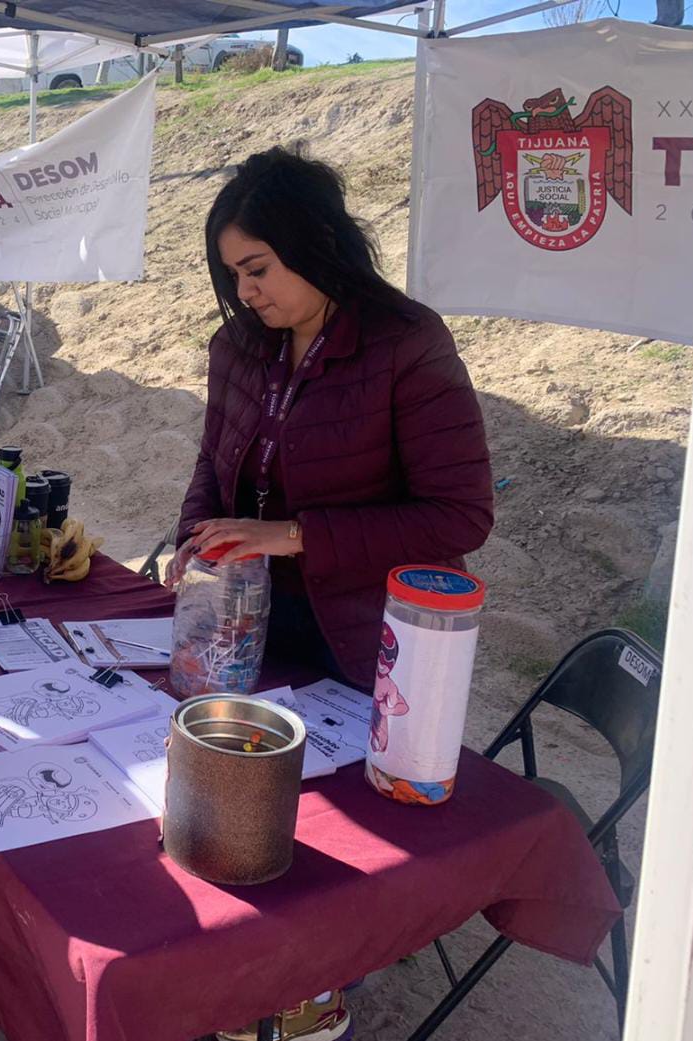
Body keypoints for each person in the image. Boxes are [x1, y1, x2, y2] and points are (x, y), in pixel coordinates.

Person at [179, 151, 493, 1041]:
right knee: (237, 800)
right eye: (232, 276)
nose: (246, 295)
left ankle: (312, 992)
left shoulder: (405, 342)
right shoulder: (239, 343)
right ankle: (235, 975)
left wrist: (297, 533)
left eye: (258, 270)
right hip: (249, 622)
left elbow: (459, 513)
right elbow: (214, 462)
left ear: (316, 244)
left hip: (360, 636)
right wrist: (196, 546)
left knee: (330, 826)